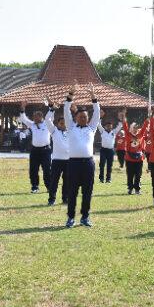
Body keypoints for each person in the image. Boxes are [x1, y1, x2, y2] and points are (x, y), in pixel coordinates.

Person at [64, 82, 101, 228]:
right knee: (72, 192)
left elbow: (97, 112)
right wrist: (70, 95)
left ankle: (85, 217)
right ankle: (71, 218)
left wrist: (93, 96)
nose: (83, 118)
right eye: (80, 116)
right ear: (76, 117)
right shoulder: (71, 126)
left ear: (88, 118)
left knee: (87, 191)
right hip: (73, 163)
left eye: (85, 117)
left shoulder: (91, 128)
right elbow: (66, 109)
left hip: (88, 163)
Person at [19, 101, 53, 195]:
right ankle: (35, 187)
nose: (34, 118)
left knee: (47, 169)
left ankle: (49, 187)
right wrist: (22, 108)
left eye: (36, 117)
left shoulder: (47, 124)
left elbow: (51, 113)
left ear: (41, 117)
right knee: (33, 169)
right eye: (33, 117)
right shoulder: (32, 124)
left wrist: (50, 104)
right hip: (35, 150)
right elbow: (24, 119)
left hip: (46, 150)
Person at [45, 100, 69, 206]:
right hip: (56, 161)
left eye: (65, 123)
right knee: (54, 181)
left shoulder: (71, 131)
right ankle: (51, 199)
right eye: (61, 123)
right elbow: (47, 119)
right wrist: (51, 108)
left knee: (67, 181)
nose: (63, 125)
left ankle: (65, 198)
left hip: (69, 161)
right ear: (58, 124)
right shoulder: (54, 131)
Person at [121, 110, 149, 195]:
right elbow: (125, 126)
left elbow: (144, 126)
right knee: (130, 175)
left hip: (139, 159)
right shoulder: (128, 135)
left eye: (137, 127)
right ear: (131, 128)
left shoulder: (140, 135)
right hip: (129, 159)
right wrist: (124, 116)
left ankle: (137, 189)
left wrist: (149, 116)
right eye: (134, 128)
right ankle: (130, 188)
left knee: (138, 175)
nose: (135, 129)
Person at [97, 113, 123, 183]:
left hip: (110, 151)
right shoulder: (102, 131)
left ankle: (108, 179)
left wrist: (119, 119)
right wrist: (101, 117)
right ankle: (101, 179)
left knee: (109, 165)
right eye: (108, 126)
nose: (109, 127)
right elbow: (98, 124)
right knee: (102, 164)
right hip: (103, 150)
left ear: (112, 127)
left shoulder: (114, 132)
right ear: (105, 127)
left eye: (110, 126)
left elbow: (120, 126)